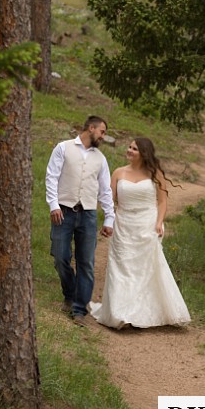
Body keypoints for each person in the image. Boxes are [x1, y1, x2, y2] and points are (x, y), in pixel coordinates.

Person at [90, 137, 191, 329]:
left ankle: (143, 311)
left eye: (134, 148)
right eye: (129, 147)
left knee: (145, 269)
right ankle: (120, 313)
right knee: (122, 268)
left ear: (143, 153)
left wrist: (159, 222)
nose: (129, 150)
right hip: (124, 224)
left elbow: (162, 201)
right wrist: (108, 221)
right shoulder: (118, 173)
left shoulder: (155, 174)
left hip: (147, 223)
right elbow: (109, 201)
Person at [46, 116, 117, 326]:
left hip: (87, 215)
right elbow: (51, 177)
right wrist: (54, 205)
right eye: (102, 132)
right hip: (63, 211)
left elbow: (105, 190)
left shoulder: (100, 159)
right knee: (60, 257)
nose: (103, 137)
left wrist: (109, 219)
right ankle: (69, 294)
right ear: (91, 128)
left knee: (86, 262)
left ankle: (79, 309)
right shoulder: (63, 148)